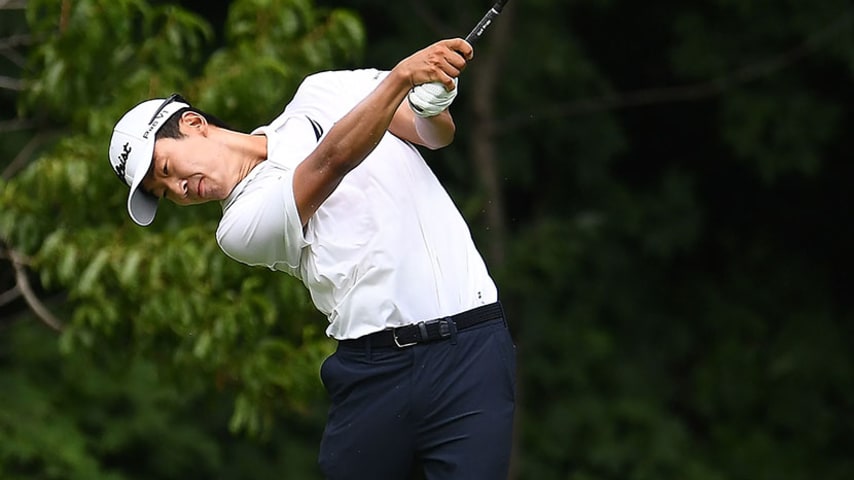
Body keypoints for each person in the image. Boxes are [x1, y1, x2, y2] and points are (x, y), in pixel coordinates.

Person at [108, 38, 515, 479]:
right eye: (163, 194)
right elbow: (330, 162)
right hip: (377, 372)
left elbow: (435, 133)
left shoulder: (323, 92)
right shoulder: (238, 228)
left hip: (474, 349)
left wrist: (433, 98)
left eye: (166, 171)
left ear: (192, 123)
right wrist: (401, 78)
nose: (178, 190)